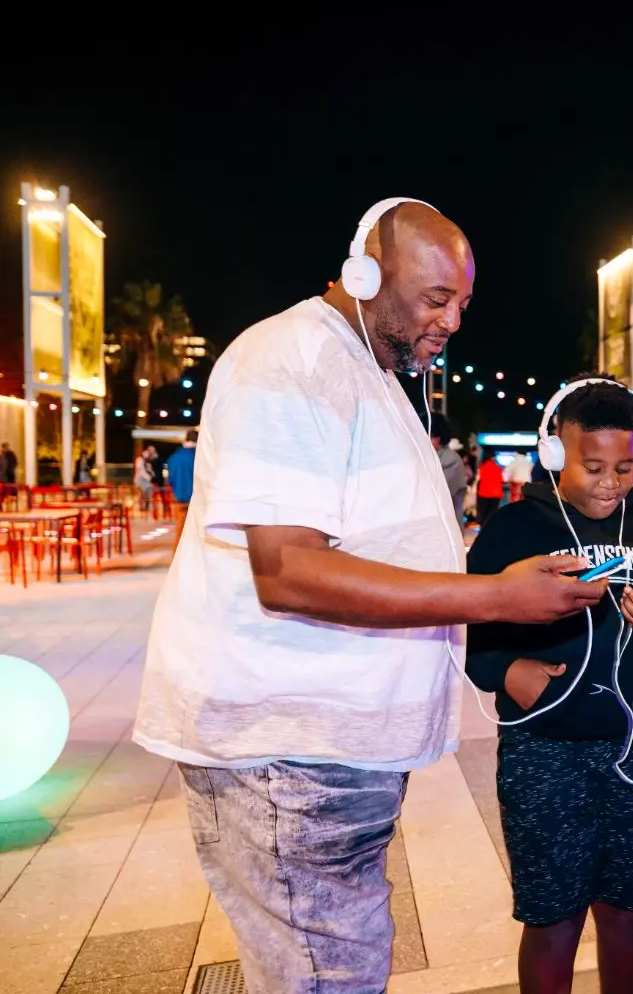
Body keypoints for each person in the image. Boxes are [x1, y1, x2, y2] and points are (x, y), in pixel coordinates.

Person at [133, 198, 605, 994]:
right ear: (364, 275)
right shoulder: (290, 361)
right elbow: (288, 571)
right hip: (288, 757)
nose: (453, 321)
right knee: (327, 979)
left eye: (462, 303)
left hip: (326, 757)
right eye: (434, 299)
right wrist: (493, 598)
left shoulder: (371, 374)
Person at [465, 373, 633, 994]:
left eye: (623, 467)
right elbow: (465, 634)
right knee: (552, 918)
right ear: (554, 454)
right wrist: (507, 671)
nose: (608, 483)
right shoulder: (512, 529)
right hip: (543, 750)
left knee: (627, 909)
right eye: (592, 466)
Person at [429, 411, 468, 526]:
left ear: (436, 439)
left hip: (445, 530)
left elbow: (435, 494)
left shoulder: (450, 460)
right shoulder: (433, 458)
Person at [163, 430, 197, 554]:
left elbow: (169, 479)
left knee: (180, 533)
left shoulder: (173, 457)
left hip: (178, 499)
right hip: (196, 501)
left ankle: (176, 563)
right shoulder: (198, 457)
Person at [475, 451, 507, 524]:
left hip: (483, 494)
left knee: (483, 514)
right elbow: (503, 479)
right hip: (495, 494)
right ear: (492, 458)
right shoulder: (498, 468)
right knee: (491, 514)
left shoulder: (481, 467)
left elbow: (478, 479)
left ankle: (482, 529)